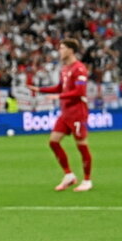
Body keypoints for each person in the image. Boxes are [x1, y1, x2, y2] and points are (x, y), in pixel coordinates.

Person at [28, 38, 93, 192]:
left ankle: (87, 180)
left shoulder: (79, 69)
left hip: (78, 112)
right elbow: (60, 87)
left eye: (62, 48)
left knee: (82, 146)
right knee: (53, 142)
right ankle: (69, 175)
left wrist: (59, 97)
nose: (60, 51)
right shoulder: (64, 69)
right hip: (66, 113)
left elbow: (79, 92)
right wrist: (40, 90)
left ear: (71, 50)